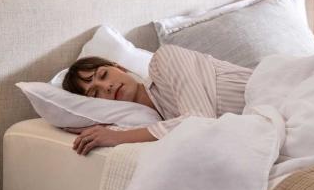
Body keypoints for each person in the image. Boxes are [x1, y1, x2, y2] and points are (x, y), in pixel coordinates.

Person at [62, 44, 252, 155]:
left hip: (275, 92)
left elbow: (200, 120)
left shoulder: (164, 59)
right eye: (95, 94)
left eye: (103, 75)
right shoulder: (155, 123)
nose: (107, 87)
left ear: (119, 66)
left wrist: (117, 138)